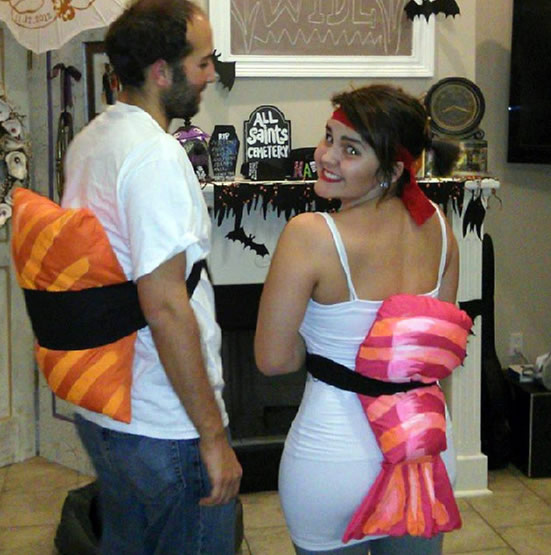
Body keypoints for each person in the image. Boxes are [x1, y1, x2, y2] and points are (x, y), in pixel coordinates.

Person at [61, 1, 242, 553]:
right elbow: (164, 306)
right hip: (164, 423)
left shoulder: (92, 140)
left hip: (108, 408)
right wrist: (213, 436)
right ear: (162, 72)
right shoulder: (155, 156)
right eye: (202, 62)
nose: (211, 74)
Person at [254, 84, 461, 555]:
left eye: (350, 150)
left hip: (332, 462)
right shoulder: (440, 229)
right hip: (421, 454)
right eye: (329, 137)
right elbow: (436, 359)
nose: (326, 156)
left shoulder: (310, 234)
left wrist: (324, 343)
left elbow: (273, 359)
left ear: (392, 170)